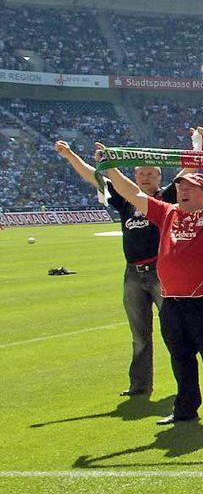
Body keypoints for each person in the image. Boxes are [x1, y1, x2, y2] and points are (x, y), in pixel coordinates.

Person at [101, 159, 203, 425]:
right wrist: (110, 167)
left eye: (190, 187)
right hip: (172, 301)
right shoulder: (166, 212)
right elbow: (132, 193)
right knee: (180, 357)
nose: (183, 191)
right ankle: (185, 408)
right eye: (180, 186)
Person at [55, 141, 176, 397]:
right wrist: (70, 155)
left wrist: (200, 144)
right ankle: (140, 384)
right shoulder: (125, 199)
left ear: (159, 177)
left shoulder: (166, 199)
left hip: (161, 273)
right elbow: (92, 174)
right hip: (133, 273)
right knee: (139, 335)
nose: (145, 177)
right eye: (141, 173)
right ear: (134, 175)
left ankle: (184, 384)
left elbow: (187, 170)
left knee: (174, 330)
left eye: (150, 173)